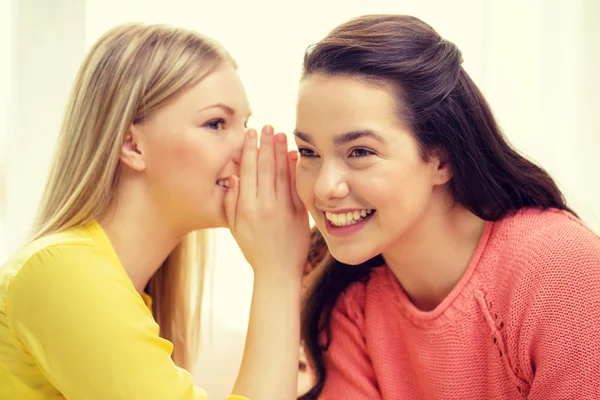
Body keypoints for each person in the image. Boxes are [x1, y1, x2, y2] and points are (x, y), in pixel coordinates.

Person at [294, 14, 600, 399]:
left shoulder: (559, 270)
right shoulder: (351, 299)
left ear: (441, 159)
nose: (324, 188)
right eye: (308, 152)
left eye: (360, 152)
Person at [0, 23, 309, 400]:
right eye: (215, 124)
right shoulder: (61, 272)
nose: (245, 149)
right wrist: (277, 274)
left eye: (243, 124)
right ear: (132, 144)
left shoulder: (113, 285)